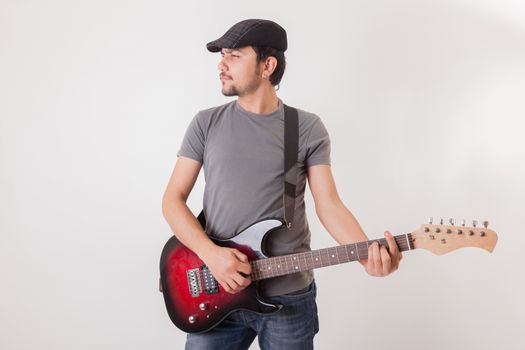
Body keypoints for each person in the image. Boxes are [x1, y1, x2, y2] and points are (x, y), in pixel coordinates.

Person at [162, 18, 402, 350]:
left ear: (267, 65)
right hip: (216, 289)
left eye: (234, 55)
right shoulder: (206, 123)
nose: (221, 63)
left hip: (289, 299)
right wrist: (212, 255)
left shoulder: (304, 128)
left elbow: (329, 204)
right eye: (222, 55)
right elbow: (172, 200)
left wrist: (365, 254)